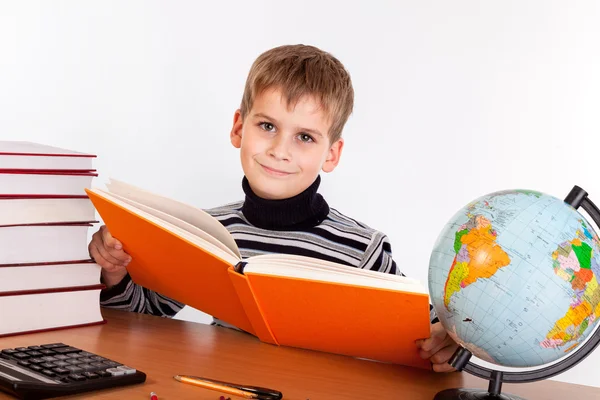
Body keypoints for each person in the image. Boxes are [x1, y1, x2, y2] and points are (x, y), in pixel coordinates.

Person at [89, 44, 458, 372]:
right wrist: (114, 271)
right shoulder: (208, 232)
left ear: (331, 154)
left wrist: (449, 342)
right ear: (238, 128)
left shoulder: (363, 248)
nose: (280, 150)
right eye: (267, 125)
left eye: (304, 137)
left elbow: (430, 340)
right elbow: (142, 316)